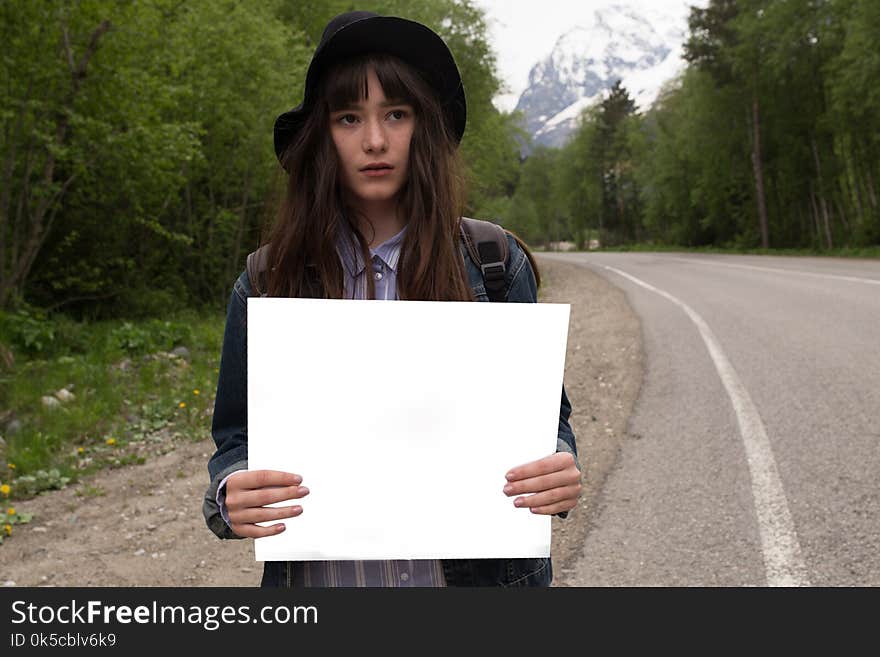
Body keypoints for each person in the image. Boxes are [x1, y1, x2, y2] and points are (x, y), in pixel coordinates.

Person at [203, 10, 582, 587]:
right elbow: (236, 437)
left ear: (423, 127)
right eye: (349, 117)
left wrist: (556, 466)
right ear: (321, 135)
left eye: (396, 114)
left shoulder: (494, 266)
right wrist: (231, 492)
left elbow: (546, 422)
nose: (375, 140)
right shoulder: (266, 281)